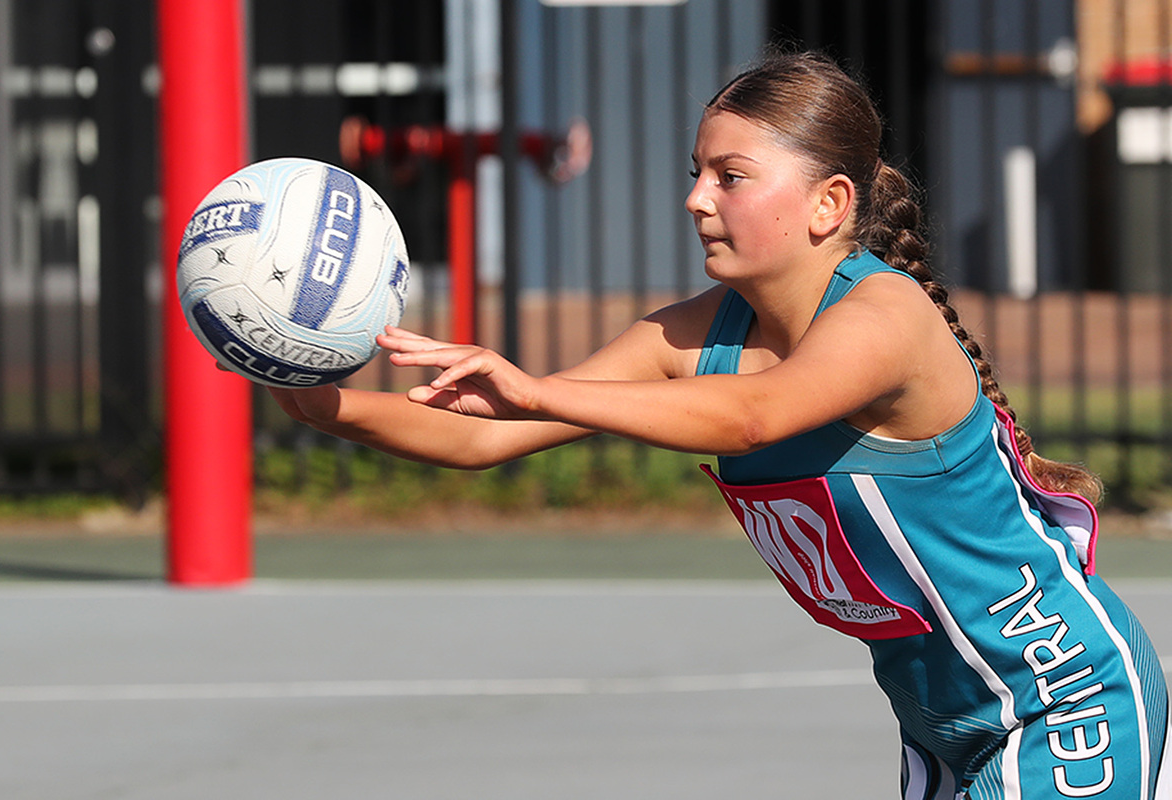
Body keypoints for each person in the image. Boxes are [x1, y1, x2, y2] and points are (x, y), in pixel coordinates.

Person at [269, 49, 1169, 799]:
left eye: (731, 177)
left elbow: (754, 416)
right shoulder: (697, 334)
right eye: (696, 174)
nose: (698, 199)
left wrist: (540, 392)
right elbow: (481, 435)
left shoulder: (884, 316)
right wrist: (318, 399)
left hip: (1067, 702)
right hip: (942, 727)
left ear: (829, 203)